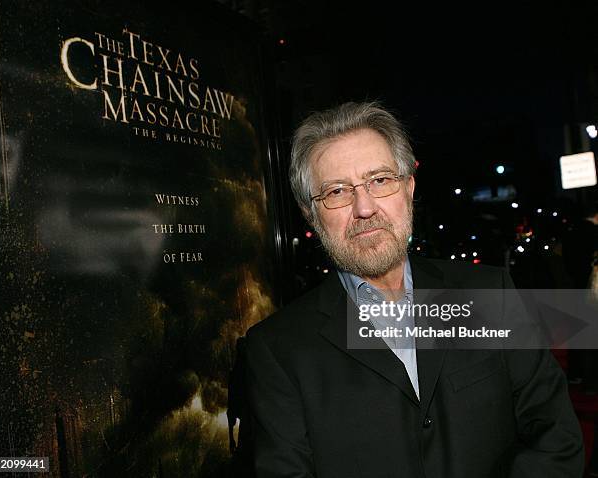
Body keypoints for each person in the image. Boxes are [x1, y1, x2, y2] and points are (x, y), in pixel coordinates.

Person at [244, 102, 584, 477]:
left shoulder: (488, 292)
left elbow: (556, 435)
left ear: (408, 187)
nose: (364, 207)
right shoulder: (276, 350)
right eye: (337, 191)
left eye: (380, 180)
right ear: (310, 213)